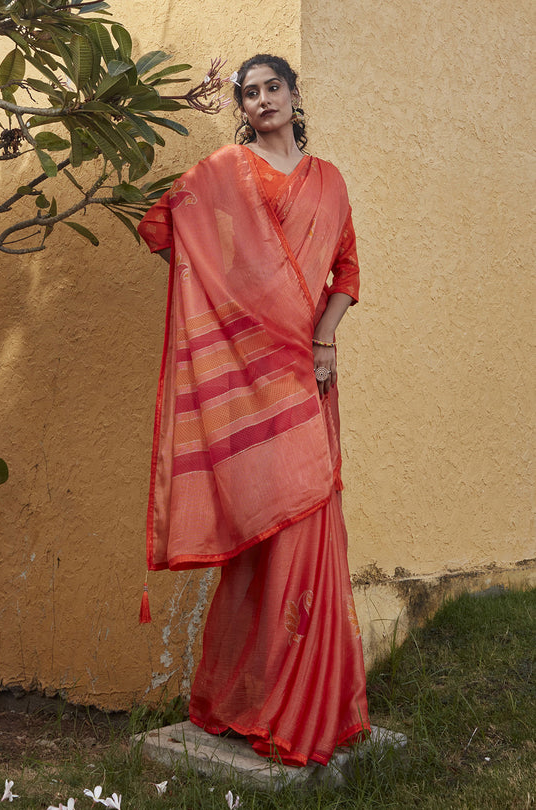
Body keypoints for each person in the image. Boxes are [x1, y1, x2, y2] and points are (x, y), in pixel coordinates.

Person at [137, 54, 370, 767]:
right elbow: (160, 229)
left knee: (305, 525)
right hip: (253, 378)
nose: (262, 99)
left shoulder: (328, 179)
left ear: (296, 95)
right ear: (239, 105)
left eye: (273, 88)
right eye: (250, 93)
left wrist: (325, 339)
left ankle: (308, 706)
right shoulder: (225, 173)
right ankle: (244, 701)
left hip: (309, 371)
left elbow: (348, 270)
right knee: (261, 533)